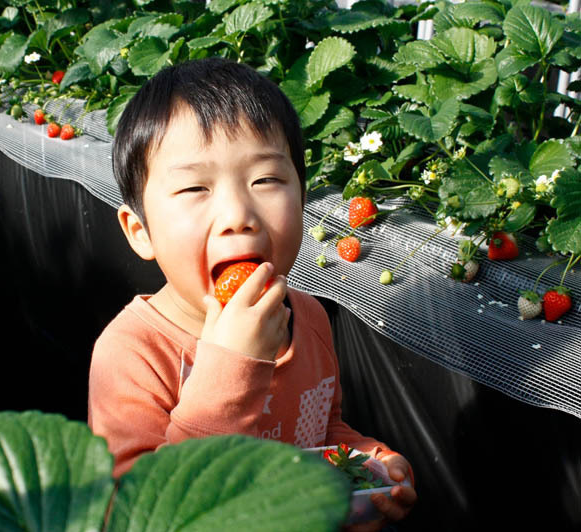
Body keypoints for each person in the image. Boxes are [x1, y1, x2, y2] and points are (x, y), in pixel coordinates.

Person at [88, 57, 416, 529]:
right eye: (195, 187)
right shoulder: (132, 355)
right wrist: (230, 367)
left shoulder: (309, 319)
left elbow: (320, 432)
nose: (238, 213)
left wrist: (367, 461)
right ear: (140, 231)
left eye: (265, 179)